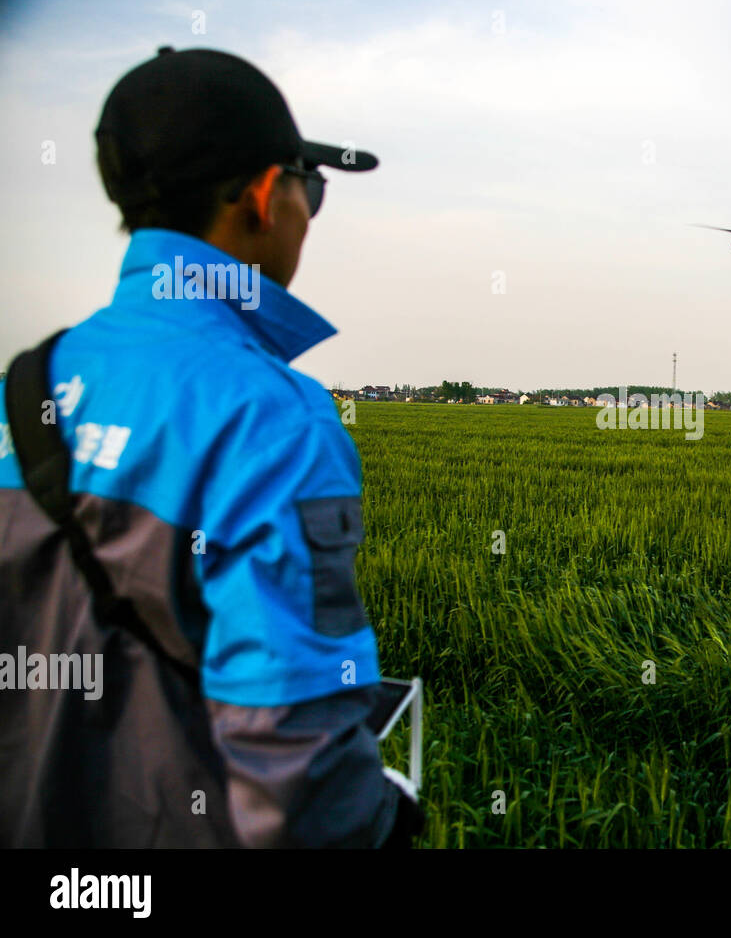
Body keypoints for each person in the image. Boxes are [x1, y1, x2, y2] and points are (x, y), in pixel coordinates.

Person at [0, 46, 423, 847]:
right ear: (267, 195)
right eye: (314, 188)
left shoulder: (23, 386)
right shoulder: (272, 419)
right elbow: (296, 767)